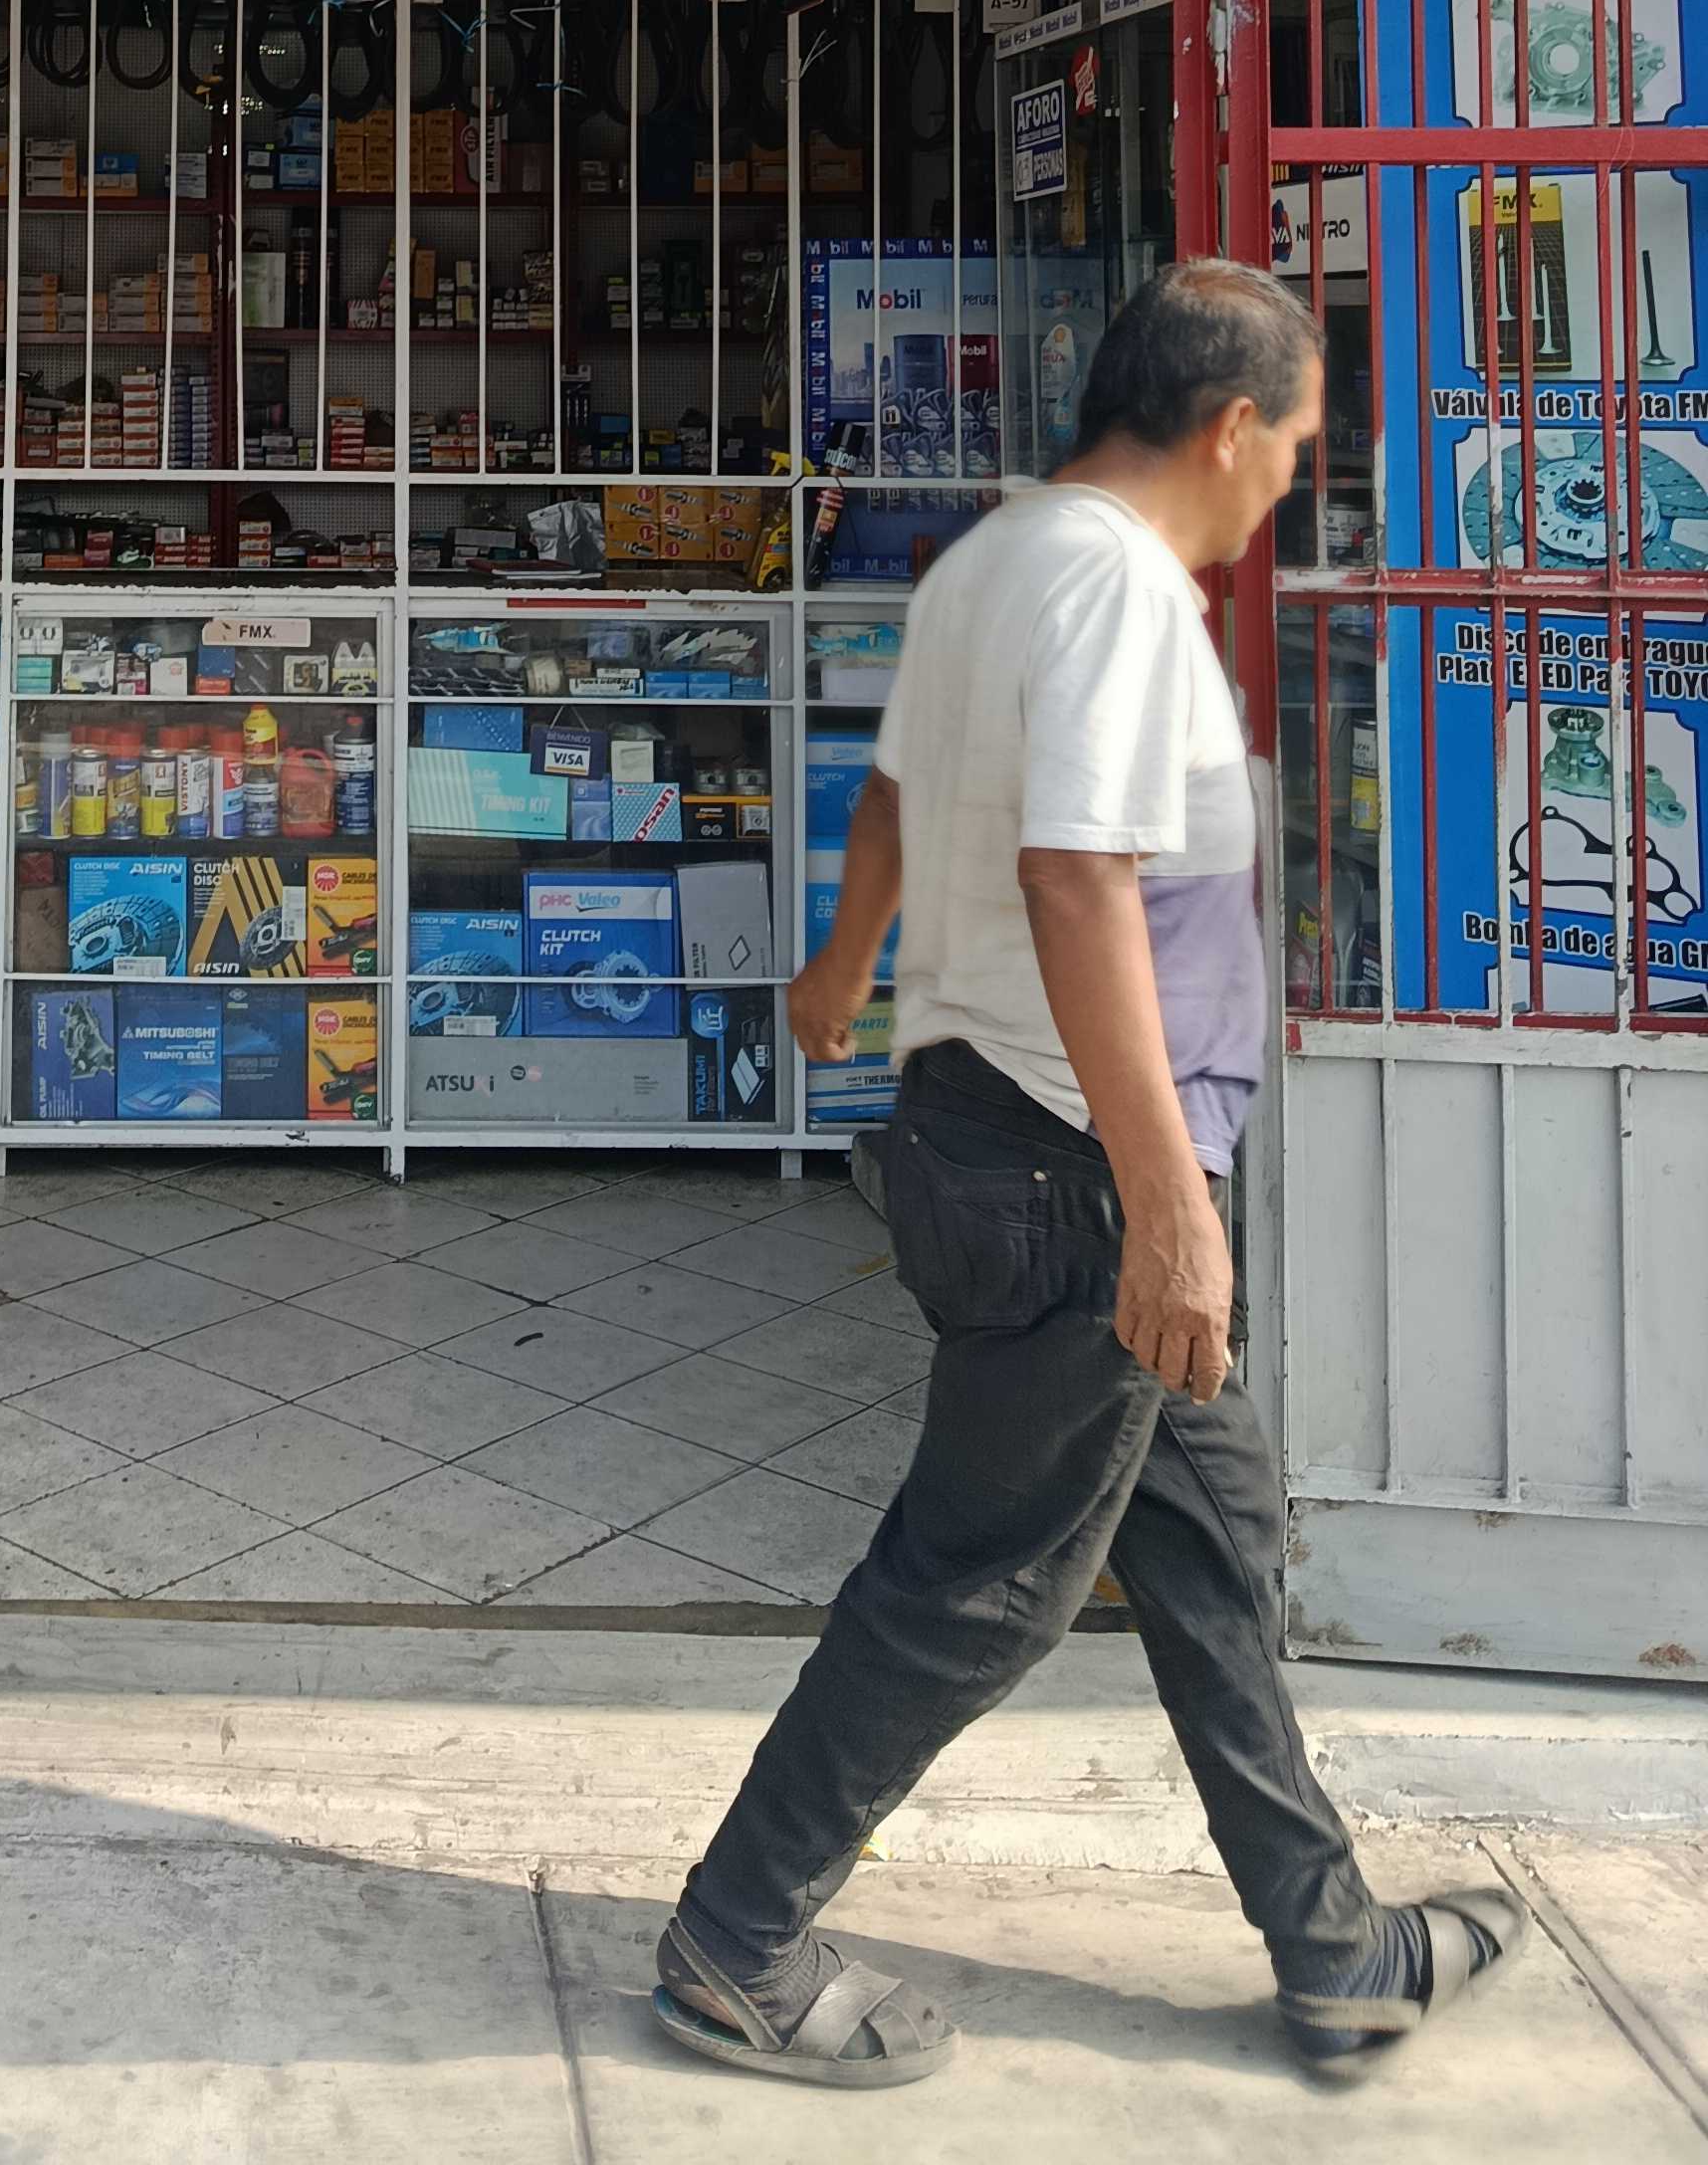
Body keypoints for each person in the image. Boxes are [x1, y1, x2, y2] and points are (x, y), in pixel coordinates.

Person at [653, 259, 1523, 2092]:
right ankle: (736, 1938)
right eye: (1295, 447)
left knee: (1213, 1539)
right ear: (1229, 428)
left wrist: (841, 968)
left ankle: (1334, 1948)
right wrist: (1173, 1206)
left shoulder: (998, 559)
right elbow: (1076, 879)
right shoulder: (1120, 587)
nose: (1292, 483)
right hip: (1078, 1176)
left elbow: (900, 793)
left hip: (1007, 1132)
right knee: (982, 1578)